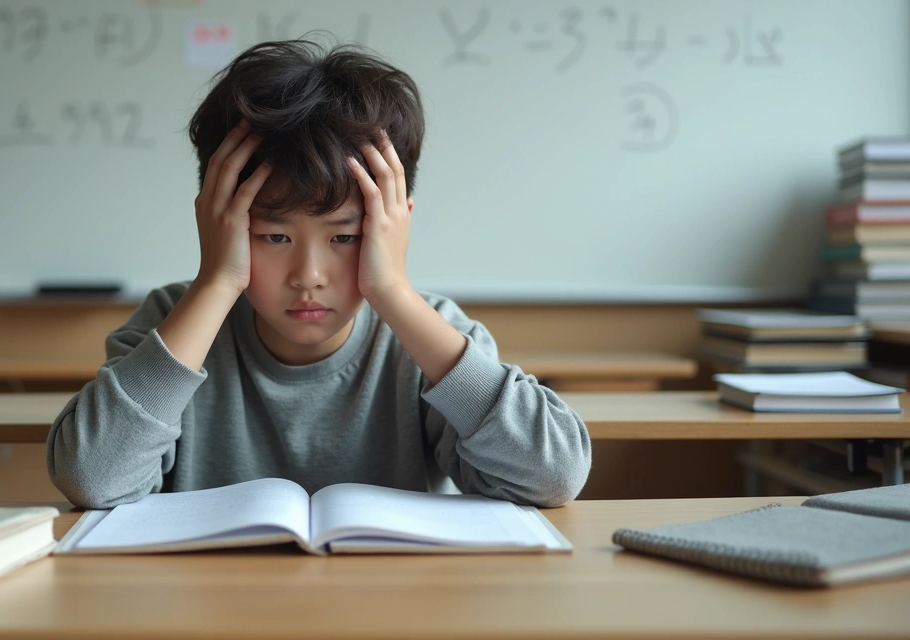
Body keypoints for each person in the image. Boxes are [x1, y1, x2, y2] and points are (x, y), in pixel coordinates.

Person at [47, 38, 591, 509]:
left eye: (345, 237)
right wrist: (215, 283)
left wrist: (394, 291)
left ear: (393, 228)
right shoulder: (172, 325)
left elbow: (553, 476)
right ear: (218, 224)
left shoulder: (432, 339)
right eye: (274, 236)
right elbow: (92, 479)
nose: (308, 276)